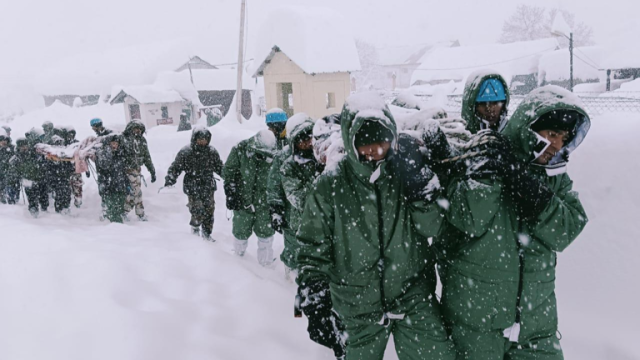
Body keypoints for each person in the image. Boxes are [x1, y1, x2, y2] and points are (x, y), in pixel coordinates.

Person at [295, 93, 455, 360]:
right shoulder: (330, 185)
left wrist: (421, 189)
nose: (375, 150)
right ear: (350, 140)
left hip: (412, 295)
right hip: (356, 305)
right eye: (365, 143)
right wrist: (315, 298)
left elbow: (433, 228)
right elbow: (313, 245)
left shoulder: (405, 173)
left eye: (382, 141)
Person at [439, 85, 590, 360]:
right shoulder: (487, 159)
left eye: (564, 137)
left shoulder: (554, 175)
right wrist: (493, 175)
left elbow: (567, 229)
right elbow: (470, 219)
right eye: (551, 134)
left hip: (536, 326)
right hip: (479, 323)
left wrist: (526, 184)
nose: (557, 144)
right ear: (528, 129)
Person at [267, 113, 321, 276]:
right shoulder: (284, 158)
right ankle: (291, 274)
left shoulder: (321, 154)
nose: (307, 143)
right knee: (293, 247)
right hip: (293, 213)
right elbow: (274, 184)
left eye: (310, 138)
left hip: (322, 215)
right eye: (302, 139)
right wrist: (276, 208)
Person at [224, 129, 277, 265]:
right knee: (240, 232)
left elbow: (279, 179)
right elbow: (229, 171)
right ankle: (238, 260)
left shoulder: (274, 154)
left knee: (266, 235)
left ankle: (266, 265)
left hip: (265, 203)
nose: (264, 157)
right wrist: (231, 192)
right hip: (243, 200)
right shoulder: (240, 150)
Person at [165, 127, 224, 241]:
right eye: (200, 139)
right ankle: (195, 229)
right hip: (192, 185)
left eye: (205, 139)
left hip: (208, 185)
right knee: (197, 209)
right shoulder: (186, 152)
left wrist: (229, 177)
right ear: (194, 138)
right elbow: (176, 167)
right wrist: (170, 178)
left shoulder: (211, 152)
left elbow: (220, 167)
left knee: (209, 209)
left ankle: (207, 233)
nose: (202, 141)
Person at [121, 120, 156, 221]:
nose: (137, 131)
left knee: (134, 193)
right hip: (126, 171)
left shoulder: (142, 141)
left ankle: (125, 212)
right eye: (135, 128)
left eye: (139, 129)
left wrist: (152, 171)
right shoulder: (124, 139)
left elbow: (147, 157)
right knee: (136, 192)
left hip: (137, 171)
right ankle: (139, 214)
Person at [95, 134, 130, 223]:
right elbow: (104, 166)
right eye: (113, 143)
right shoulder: (102, 154)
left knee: (120, 207)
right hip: (109, 188)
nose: (115, 145)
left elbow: (123, 171)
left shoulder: (120, 155)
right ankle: (116, 228)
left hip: (120, 186)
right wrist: (108, 152)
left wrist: (127, 185)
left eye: (116, 143)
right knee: (113, 211)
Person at [10, 138, 48, 217]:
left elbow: (42, 163)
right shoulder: (16, 157)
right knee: (31, 195)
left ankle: (44, 208)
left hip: (39, 178)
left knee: (43, 194)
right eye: (22, 146)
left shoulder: (34, 153)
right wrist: (18, 175)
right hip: (27, 179)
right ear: (19, 147)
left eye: (25, 145)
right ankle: (33, 209)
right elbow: (14, 170)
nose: (24, 147)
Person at [46, 134, 74, 214]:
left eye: (60, 142)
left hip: (64, 177)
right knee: (59, 195)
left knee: (67, 193)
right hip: (56, 177)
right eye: (57, 142)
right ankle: (59, 211)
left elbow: (70, 165)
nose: (59, 144)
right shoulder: (50, 153)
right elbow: (48, 167)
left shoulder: (66, 152)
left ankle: (66, 209)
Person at [61, 127, 84, 208]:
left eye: (72, 134)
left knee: (77, 185)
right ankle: (67, 204)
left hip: (75, 169)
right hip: (65, 170)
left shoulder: (77, 143)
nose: (70, 136)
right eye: (69, 134)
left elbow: (82, 156)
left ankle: (78, 200)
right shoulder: (63, 144)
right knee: (66, 188)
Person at [0, 129, 19, 204]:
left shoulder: (12, 148)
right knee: (2, 185)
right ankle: (3, 197)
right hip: (1, 171)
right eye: (1, 141)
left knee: (12, 185)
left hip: (11, 171)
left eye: (5, 140)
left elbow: (17, 157)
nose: (3, 142)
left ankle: (12, 198)